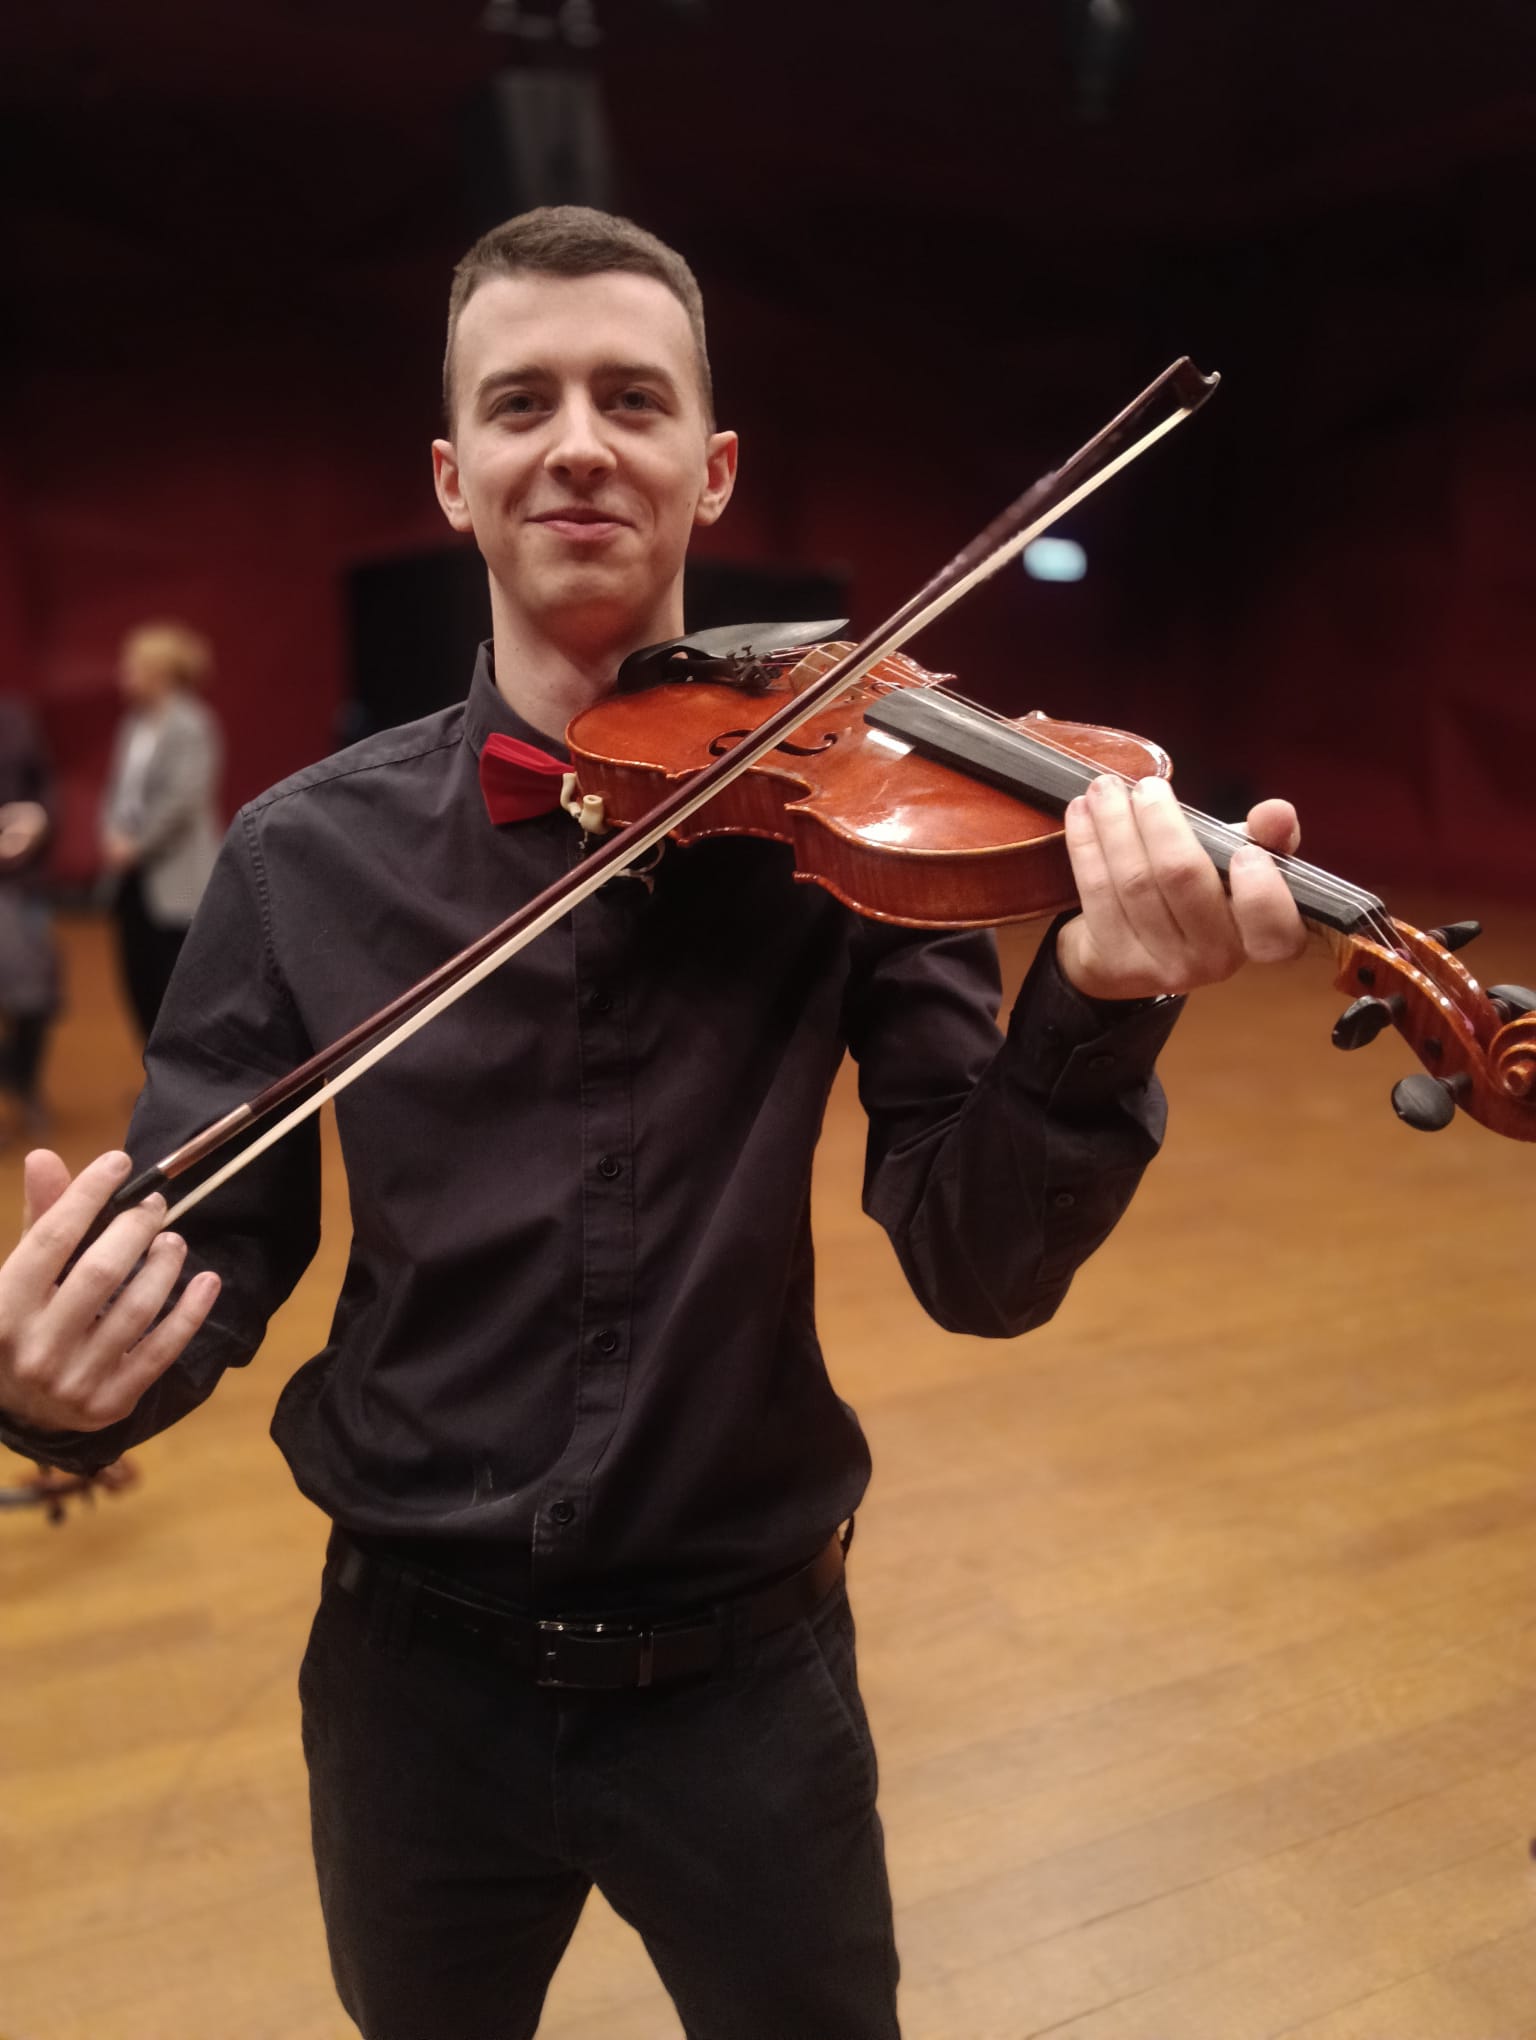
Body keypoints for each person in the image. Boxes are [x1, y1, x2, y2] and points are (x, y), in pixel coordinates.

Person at [0, 208, 1306, 2040]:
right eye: (520, 403)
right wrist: (61, 1390)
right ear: (453, 480)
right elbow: (210, 1255)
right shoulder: (298, 858)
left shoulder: (867, 820)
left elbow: (982, 1265)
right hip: (411, 1684)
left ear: (715, 467)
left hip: (752, 1687)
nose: (579, 445)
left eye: (633, 398)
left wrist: (1095, 998)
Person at [99, 620, 223, 1039]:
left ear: (160, 672)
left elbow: (183, 802)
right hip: (132, 879)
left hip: (179, 878)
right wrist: (112, 834)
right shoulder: (133, 723)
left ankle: (181, 1073)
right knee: (139, 982)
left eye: (132, 667)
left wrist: (135, 845)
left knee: (177, 984)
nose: (123, 675)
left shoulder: (193, 724)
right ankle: (154, 1069)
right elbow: (118, 791)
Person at [0, 695, 60, 1137]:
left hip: (21, 883)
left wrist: (38, 820)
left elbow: (46, 789)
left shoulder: (16, 720)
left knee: (36, 992)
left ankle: (24, 1083)